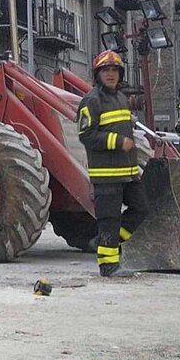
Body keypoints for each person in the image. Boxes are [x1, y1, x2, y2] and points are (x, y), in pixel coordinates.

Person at [76, 51, 144, 277]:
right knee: (109, 220)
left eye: (115, 70)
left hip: (128, 173)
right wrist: (117, 141)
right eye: (106, 70)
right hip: (106, 175)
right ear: (98, 74)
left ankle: (109, 243)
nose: (111, 74)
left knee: (142, 209)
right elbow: (86, 135)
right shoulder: (91, 101)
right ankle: (108, 265)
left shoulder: (121, 98)